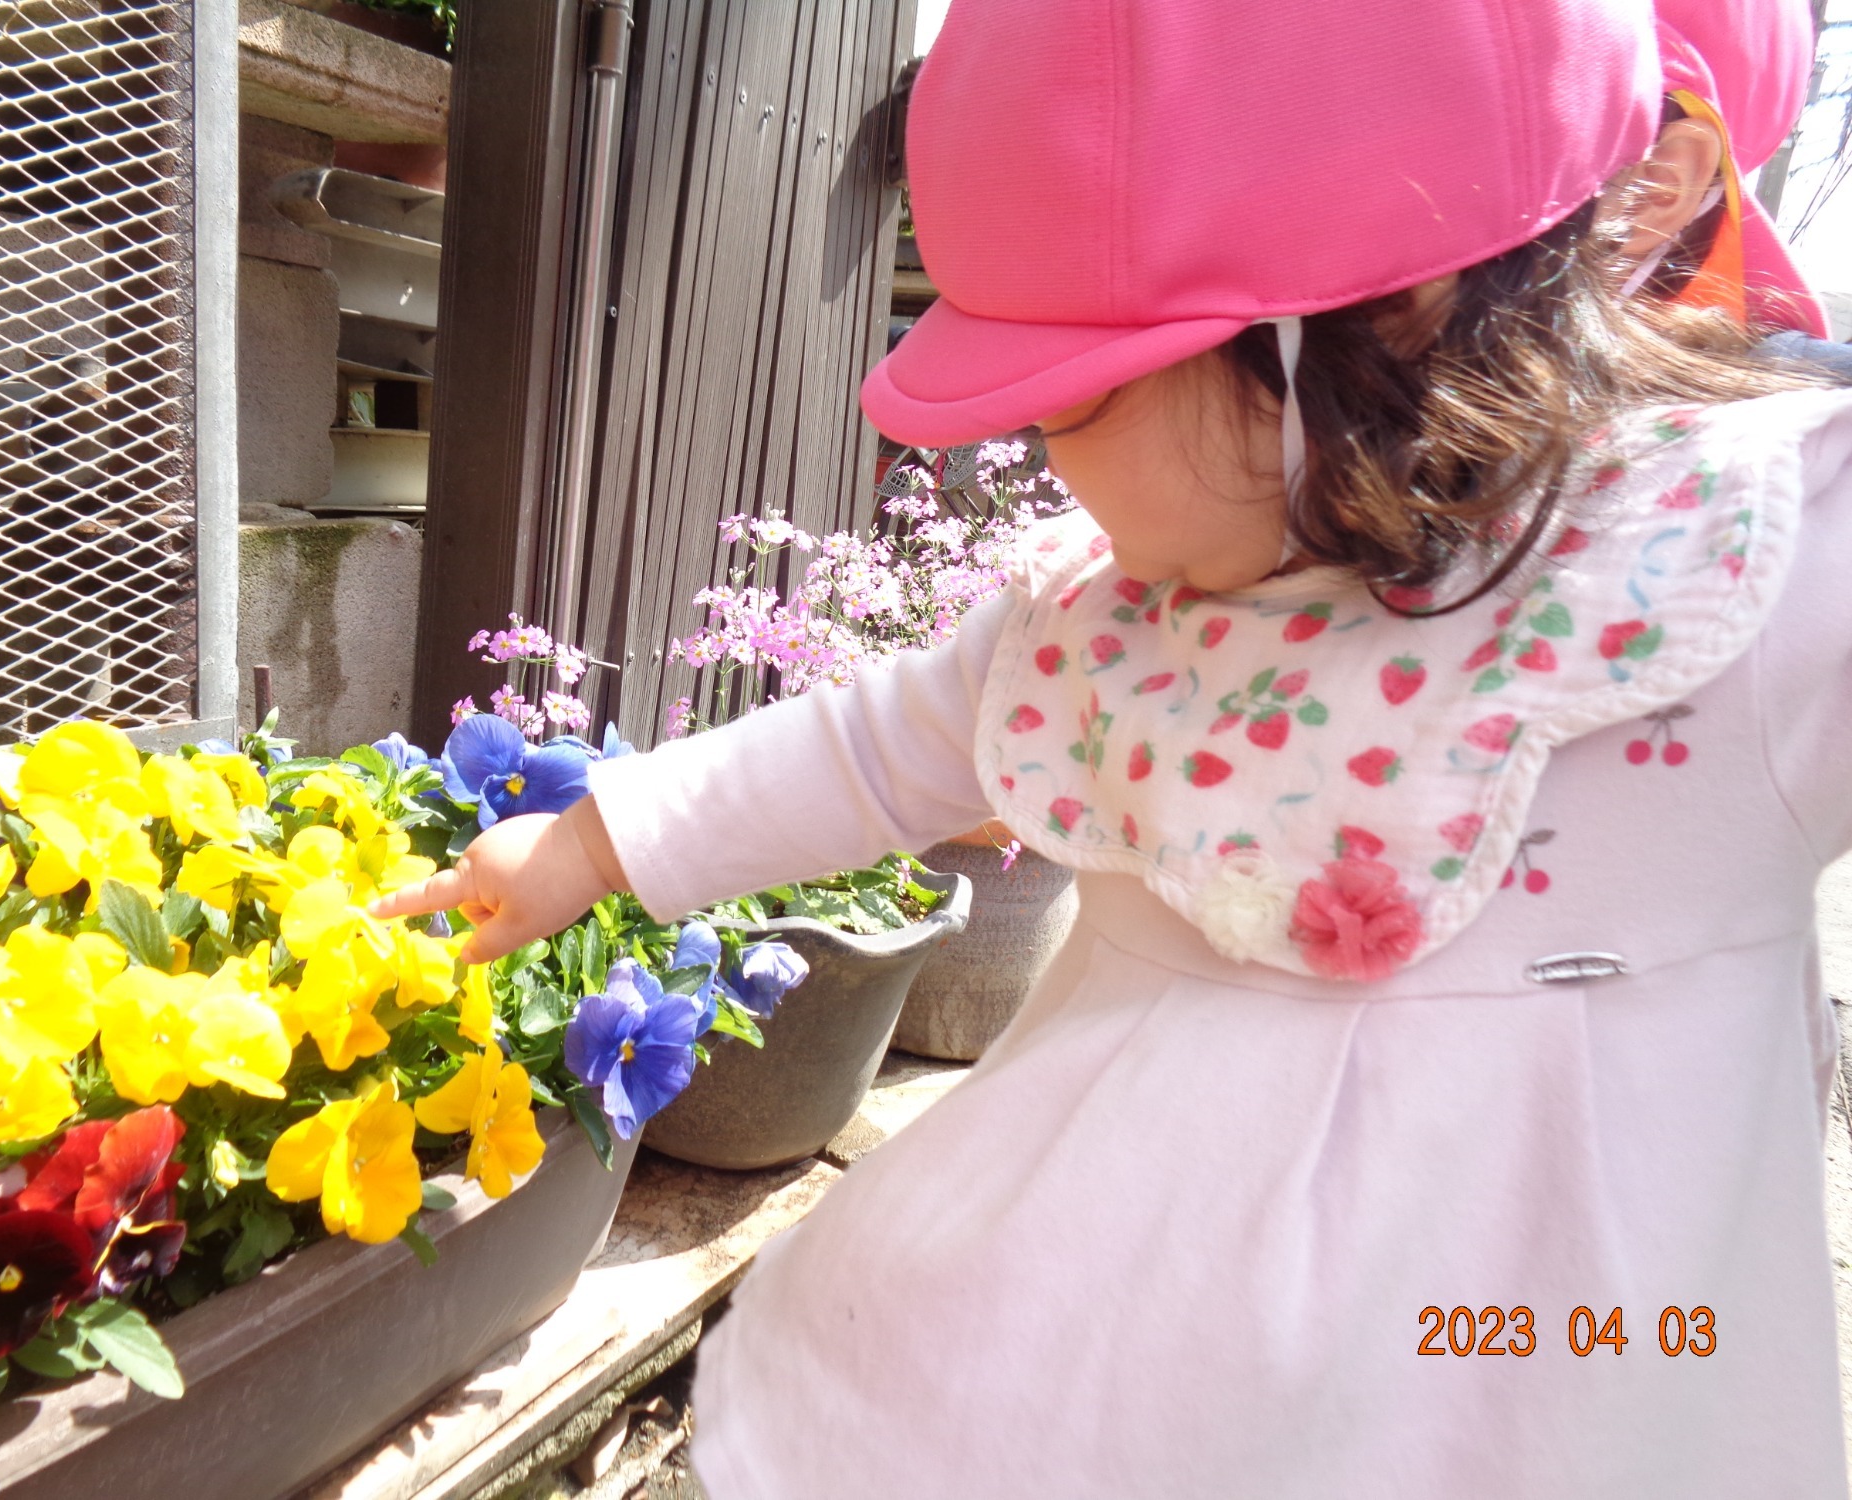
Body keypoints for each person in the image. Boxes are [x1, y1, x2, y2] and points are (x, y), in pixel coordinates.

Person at [377, 0, 1852, 1493]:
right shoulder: (1107, 621)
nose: (1042, 450)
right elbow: (874, 750)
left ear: (1381, 319)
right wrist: (584, 842)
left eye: (1070, 393)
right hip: (1080, 1364)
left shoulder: (1731, 574)